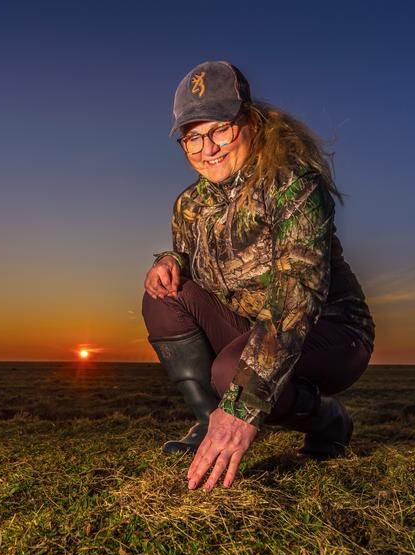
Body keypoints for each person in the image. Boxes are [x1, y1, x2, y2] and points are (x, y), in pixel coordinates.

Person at [142, 61, 375, 491]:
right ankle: (208, 420)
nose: (207, 149)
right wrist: (170, 259)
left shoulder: (292, 182)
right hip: (249, 328)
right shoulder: (188, 204)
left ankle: (327, 418)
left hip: (330, 331)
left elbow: (296, 297)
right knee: (164, 294)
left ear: (248, 121)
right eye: (192, 137)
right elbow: (192, 257)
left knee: (236, 372)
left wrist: (244, 405)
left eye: (220, 130)